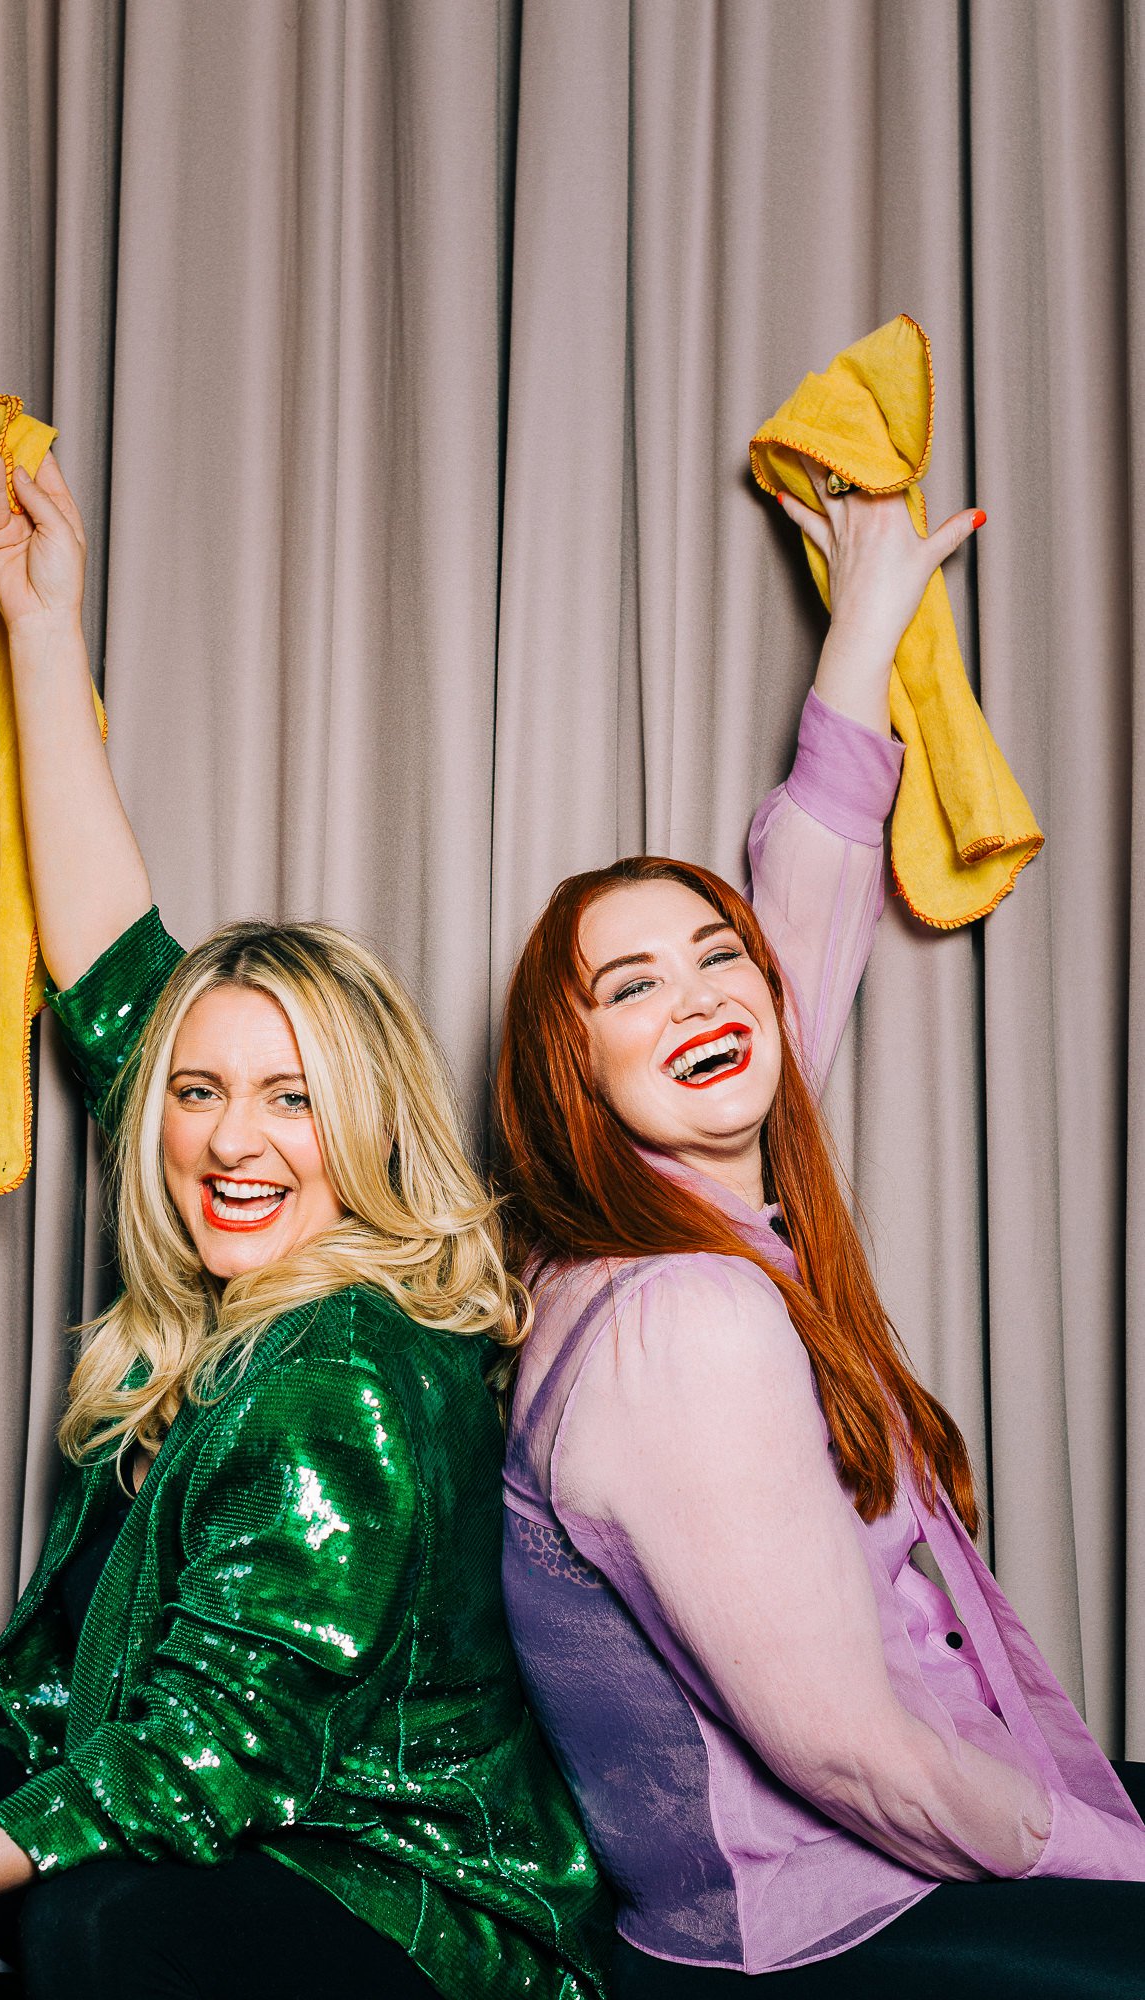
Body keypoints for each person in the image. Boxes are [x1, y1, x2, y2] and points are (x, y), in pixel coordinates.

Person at [0, 422, 611, 1999]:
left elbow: (205, 1753)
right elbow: (116, 978)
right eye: (198, 1092)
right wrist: (42, 625)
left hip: (407, 1900)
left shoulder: (341, 1371)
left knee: (84, 1925)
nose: (231, 1140)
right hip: (252, 1828)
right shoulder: (245, 1256)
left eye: (291, 1099)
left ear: (362, 1130)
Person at [494, 465, 1145, 1996]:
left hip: (897, 1862)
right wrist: (1118, 1860)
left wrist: (866, 626)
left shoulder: (680, 1232)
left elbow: (799, 923)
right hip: (819, 1929)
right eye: (630, 986)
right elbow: (851, 1758)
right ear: (571, 1068)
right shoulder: (678, 1319)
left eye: (715, 956)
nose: (699, 996)